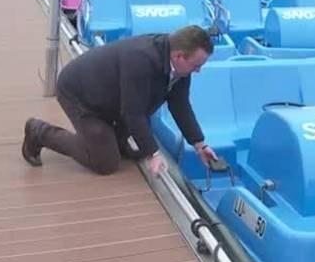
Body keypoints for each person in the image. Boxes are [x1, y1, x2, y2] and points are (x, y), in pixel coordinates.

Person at [21, 26, 219, 176]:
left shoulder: (179, 66)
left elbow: (180, 105)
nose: (198, 70)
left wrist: (199, 144)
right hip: (80, 95)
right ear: (179, 56)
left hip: (112, 97)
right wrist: (154, 154)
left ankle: (117, 141)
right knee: (105, 163)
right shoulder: (141, 60)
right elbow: (132, 112)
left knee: (134, 133)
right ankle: (39, 132)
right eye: (197, 65)